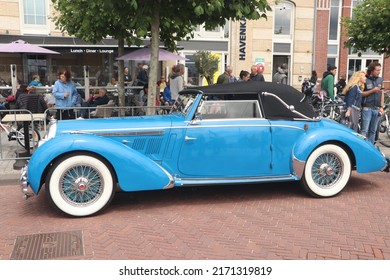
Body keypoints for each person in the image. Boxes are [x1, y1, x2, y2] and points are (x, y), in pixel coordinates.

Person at [361, 61, 384, 144]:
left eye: (380, 70)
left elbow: (382, 93)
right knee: (364, 130)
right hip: (367, 108)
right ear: (371, 70)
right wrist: (372, 91)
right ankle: (362, 147)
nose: (379, 72)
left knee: (373, 131)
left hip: (377, 108)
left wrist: (381, 106)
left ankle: (371, 148)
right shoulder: (365, 80)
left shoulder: (380, 80)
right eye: (377, 70)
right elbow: (361, 94)